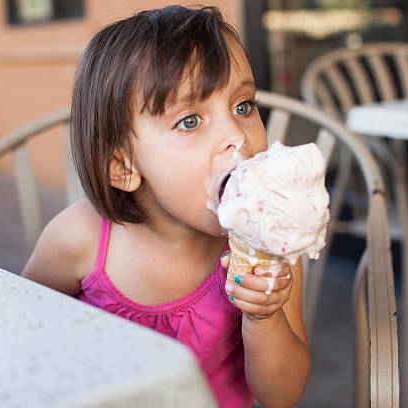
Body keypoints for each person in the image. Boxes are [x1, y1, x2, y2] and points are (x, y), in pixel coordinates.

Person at [22, 5, 309, 407]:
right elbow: (18, 336)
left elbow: (283, 395)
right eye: (190, 120)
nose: (237, 137)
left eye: (243, 106)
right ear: (122, 166)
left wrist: (264, 317)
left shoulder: (268, 245)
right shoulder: (79, 240)